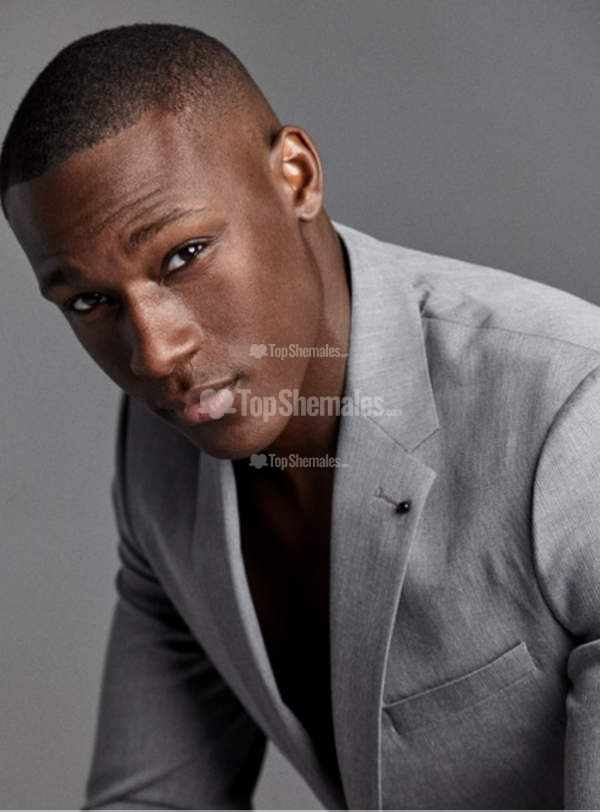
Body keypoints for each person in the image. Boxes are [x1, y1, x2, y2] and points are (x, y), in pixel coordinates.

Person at [2, 22, 600, 811]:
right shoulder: (159, 453)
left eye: (183, 255)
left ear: (296, 176)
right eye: (88, 301)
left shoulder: (569, 408)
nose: (154, 353)